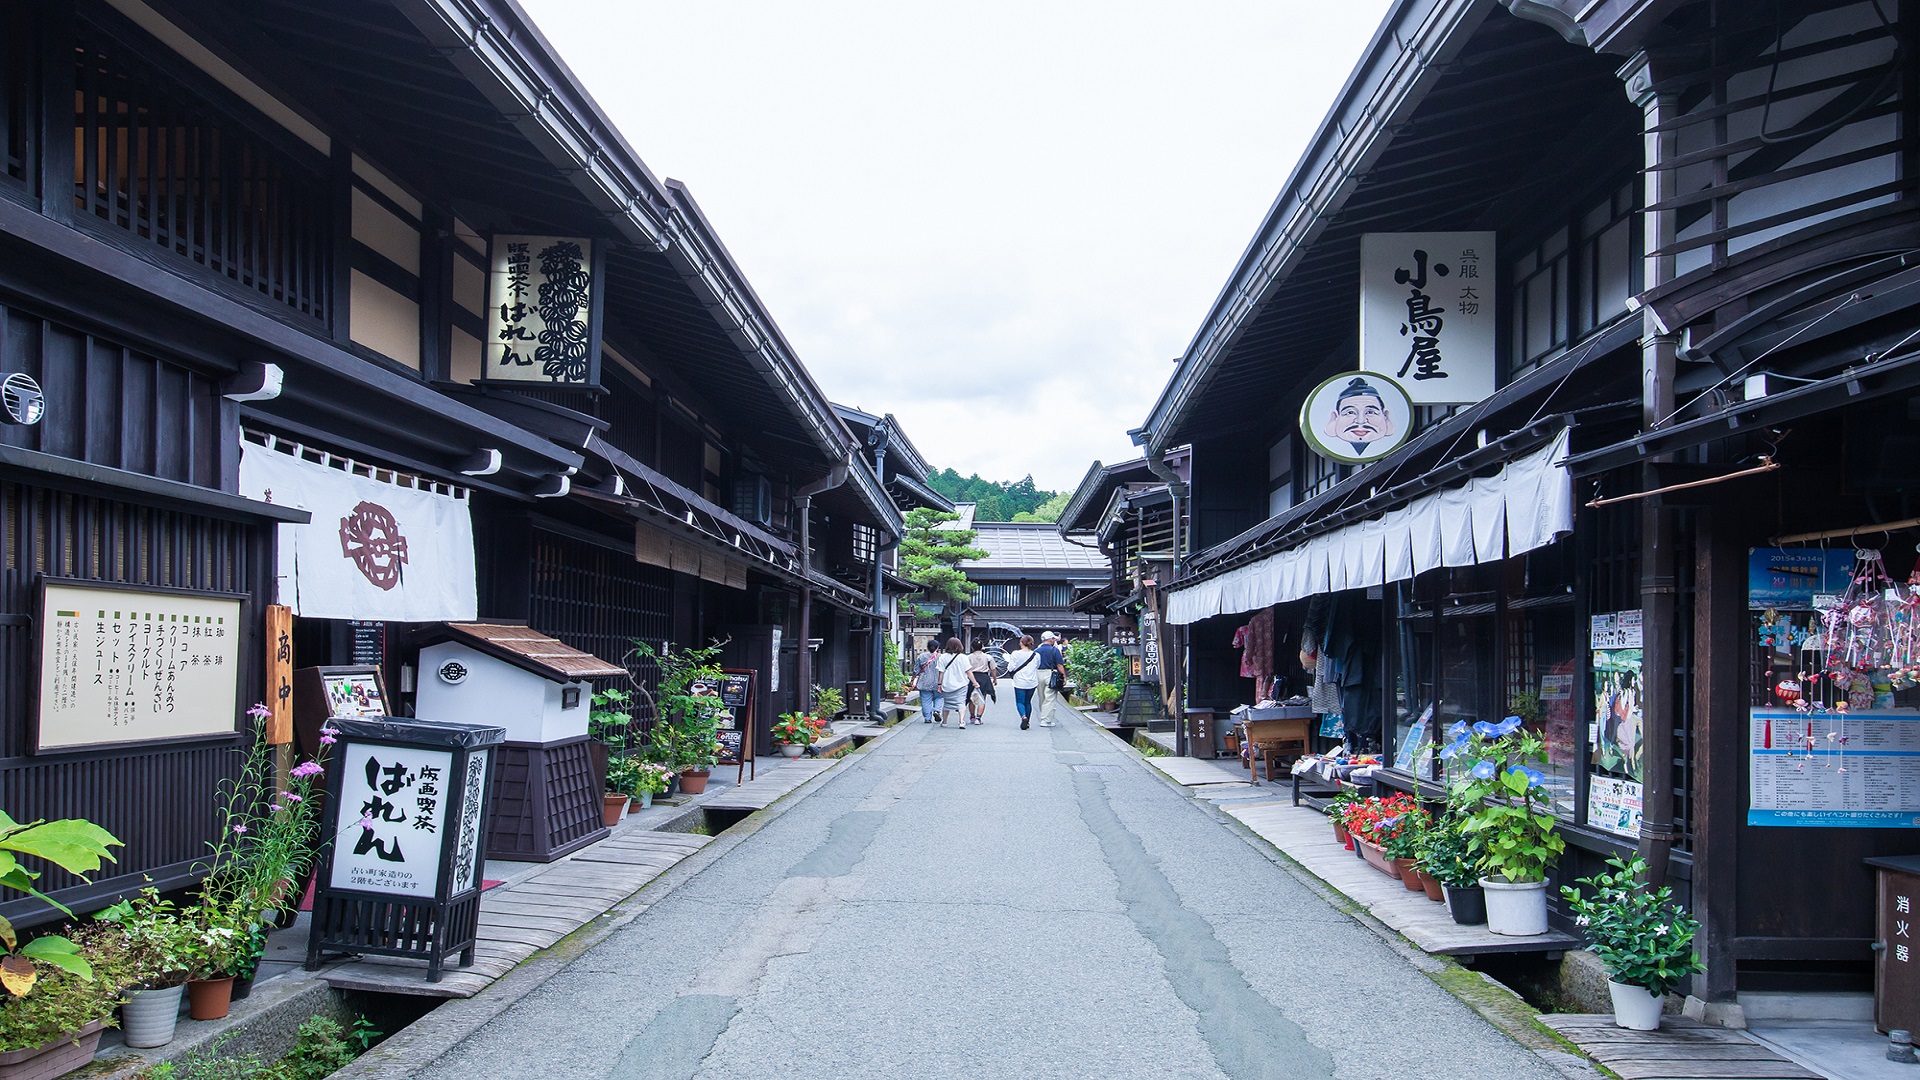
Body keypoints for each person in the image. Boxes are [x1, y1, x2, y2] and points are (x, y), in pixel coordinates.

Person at [1003, 634, 1042, 729]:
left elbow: (1011, 667)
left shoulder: (1015, 653)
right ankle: (1027, 721)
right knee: (1028, 702)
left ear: (1021, 643)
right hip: (1032, 681)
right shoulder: (1036, 655)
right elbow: (1037, 666)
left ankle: (1023, 717)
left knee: (1020, 702)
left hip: (1019, 681)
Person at [1032, 631, 1066, 728]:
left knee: (1041, 696)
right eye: (1053, 639)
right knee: (1050, 697)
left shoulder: (1036, 651)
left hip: (1038, 674)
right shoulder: (1054, 650)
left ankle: (1043, 716)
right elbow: (1059, 665)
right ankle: (1046, 720)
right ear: (1051, 639)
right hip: (1050, 673)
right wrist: (1063, 676)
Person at [936, 637, 971, 728]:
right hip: (961, 684)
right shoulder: (963, 657)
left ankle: (944, 722)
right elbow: (968, 671)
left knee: (947, 703)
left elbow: (941, 672)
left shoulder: (943, 657)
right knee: (961, 703)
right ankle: (961, 721)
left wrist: (939, 684)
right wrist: (974, 682)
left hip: (947, 684)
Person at [966, 641, 996, 725]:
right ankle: (978, 718)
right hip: (984, 677)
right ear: (982, 646)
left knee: (971, 698)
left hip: (972, 677)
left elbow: (966, 669)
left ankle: (972, 716)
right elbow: (993, 668)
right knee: (982, 698)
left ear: (972, 647)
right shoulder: (988, 657)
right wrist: (994, 678)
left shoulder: (968, 657)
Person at [914, 639, 943, 723]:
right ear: (937, 648)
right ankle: (937, 710)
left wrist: (913, 679)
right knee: (939, 697)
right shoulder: (941, 657)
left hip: (924, 681)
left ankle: (927, 718)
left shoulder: (921, 656)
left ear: (927, 647)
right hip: (938, 682)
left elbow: (916, 670)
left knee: (925, 700)